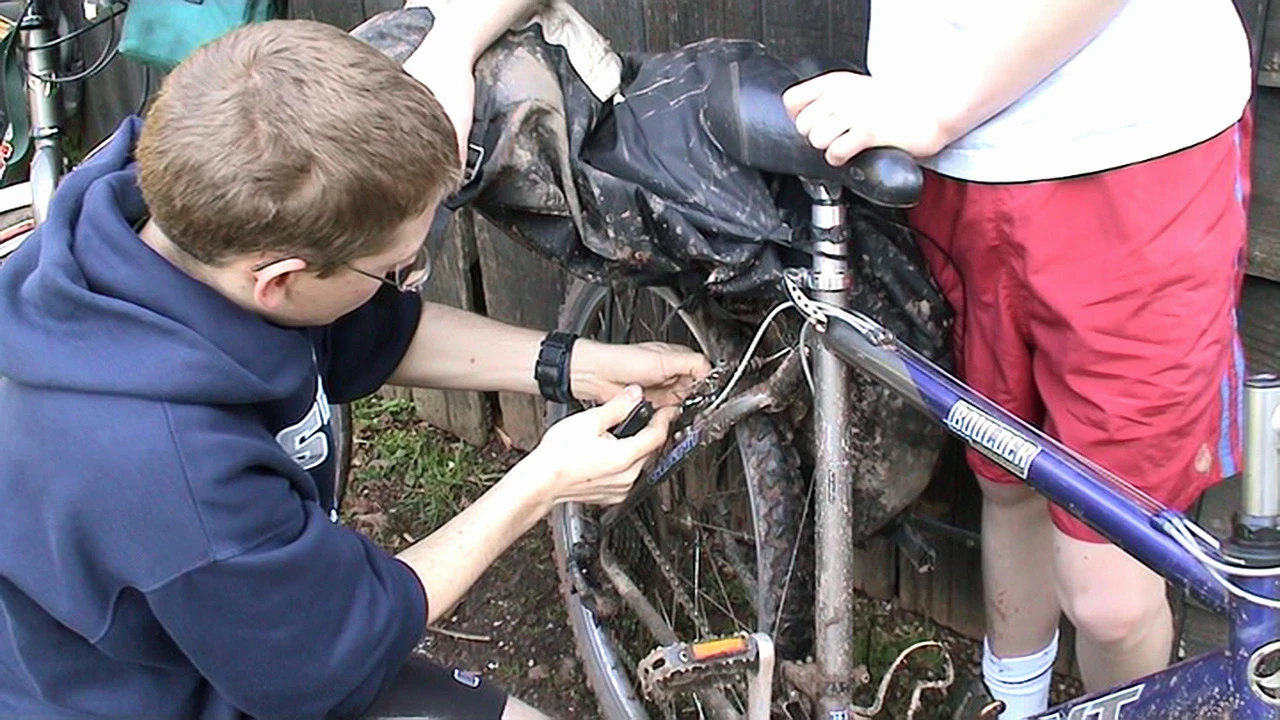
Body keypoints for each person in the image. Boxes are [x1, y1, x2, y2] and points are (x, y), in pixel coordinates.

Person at [0, 14, 709, 720]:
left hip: (240, 617)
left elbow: (369, 334)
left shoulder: (171, 213)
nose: (406, 282)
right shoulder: (171, 471)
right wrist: (539, 483)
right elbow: (333, 648)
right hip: (176, 693)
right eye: (395, 269)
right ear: (278, 280)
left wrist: (576, 364)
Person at [783, 1, 1252, 717]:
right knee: (1006, 481)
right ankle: (1013, 700)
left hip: (1132, 152)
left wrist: (937, 107)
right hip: (953, 162)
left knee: (1111, 598)